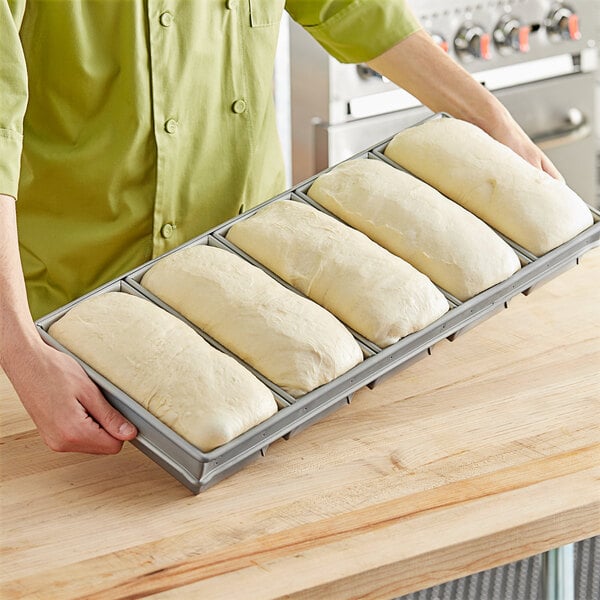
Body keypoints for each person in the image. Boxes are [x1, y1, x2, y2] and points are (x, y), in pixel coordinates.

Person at [0, 1, 561, 456]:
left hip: (255, 269)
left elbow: (349, 5)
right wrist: (22, 351)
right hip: (60, 317)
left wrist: (492, 120)